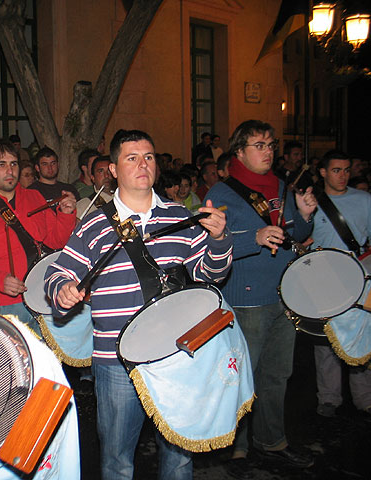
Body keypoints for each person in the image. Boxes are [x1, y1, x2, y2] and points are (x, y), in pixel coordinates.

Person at [45, 129, 232, 480]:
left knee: (179, 455)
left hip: (176, 353)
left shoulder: (180, 216)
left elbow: (210, 275)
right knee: (117, 459)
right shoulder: (95, 224)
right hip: (117, 359)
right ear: (113, 169)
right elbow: (58, 273)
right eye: (131, 158)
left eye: (148, 156)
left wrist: (220, 239)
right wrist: (65, 289)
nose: (142, 164)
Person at [205, 120, 316, 478]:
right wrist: (253, 237)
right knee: (242, 377)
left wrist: (305, 217)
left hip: (284, 294)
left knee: (277, 375)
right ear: (239, 152)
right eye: (258, 145)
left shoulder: (281, 187)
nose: (267, 151)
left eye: (270, 144)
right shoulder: (221, 194)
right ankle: (235, 447)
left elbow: (292, 236)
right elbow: (209, 247)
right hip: (246, 298)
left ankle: (273, 442)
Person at [311, 150, 371, 421]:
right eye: (336, 170)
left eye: (346, 170)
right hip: (323, 279)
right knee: (326, 339)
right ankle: (328, 397)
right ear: (323, 172)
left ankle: (367, 398)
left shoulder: (364, 199)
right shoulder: (313, 203)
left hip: (360, 275)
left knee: (361, 334)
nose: (342, 175)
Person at [0, 138, 76, 334]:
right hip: (4, 304)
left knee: (50, 362)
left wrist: (65, 214)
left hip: (42, 295)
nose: (10, 171)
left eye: (13, 164)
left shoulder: (34, 197)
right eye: (1, 165)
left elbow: (56, 241)